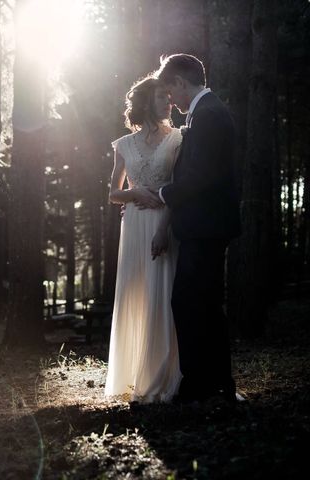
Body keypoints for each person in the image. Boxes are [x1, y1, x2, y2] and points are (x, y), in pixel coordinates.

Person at [149, 53, 242, 404]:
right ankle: (216, 382)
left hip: (205, 225)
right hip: (207, 224)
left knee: (189, 302)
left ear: (181, 83)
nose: (172, 101)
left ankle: (200, 383)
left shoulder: (208, 115)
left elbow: (201, 174)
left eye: (172, 92)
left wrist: (162, 193)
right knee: (204, 303)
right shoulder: (207, 112)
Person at [104, 75, 183, 403]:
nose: (169, 102)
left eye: (169, 97)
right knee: (137, 295)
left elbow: (180, 188)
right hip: (134, 223)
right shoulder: (123, 144)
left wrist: (163, 224)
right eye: (162, 98)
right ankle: (134, 372)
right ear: (146, 103)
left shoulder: (179, 139)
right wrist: (135, 192)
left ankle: (164, 374)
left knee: (163, 294)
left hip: (165, 221)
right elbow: (113, 194)